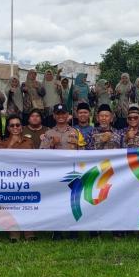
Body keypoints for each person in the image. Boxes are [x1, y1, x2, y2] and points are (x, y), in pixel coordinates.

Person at [40, 103, 81, 240]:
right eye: (58, 114)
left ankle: (73, 231)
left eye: (63, 113)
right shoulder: (49, 133)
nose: (61, 116)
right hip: (55, 173)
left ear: (68, 115)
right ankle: (57, 231)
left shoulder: (75, 132)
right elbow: (41, 154)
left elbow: (83, 152)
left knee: (72, 201)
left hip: (72, 172)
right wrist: (52, 145)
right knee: (57, 202)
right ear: (54, 116)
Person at [0, 115, 35, 242]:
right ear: (8, 128)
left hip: (26, 178)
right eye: (12, 125)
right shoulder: (2, 143)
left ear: (21, 127)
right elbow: (1, 160)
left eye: (17, 125)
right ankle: (14, 233)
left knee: (27, 206)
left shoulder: (29, 142)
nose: (15, 127)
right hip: (10, 179)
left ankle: (29, 232)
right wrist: (12, 143)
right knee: (12, 206)